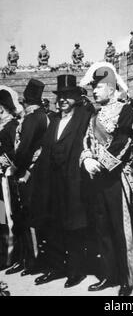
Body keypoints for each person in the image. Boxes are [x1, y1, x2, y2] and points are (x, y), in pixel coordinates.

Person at [79, 62, 133, 296]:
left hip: (116, 177)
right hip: (97, 178)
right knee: (101, 228)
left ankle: (126, 278)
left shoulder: (125, 110)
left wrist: (100, 162)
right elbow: (86, 142)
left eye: (99, 87)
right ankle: (109, 274)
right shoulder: (94, 116)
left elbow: (124, 141)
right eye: (93, 87)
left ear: (112, 89)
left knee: (120, 229)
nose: (94, 91)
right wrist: (86, 160)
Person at [32, 75, 93, 288]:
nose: (63, 100)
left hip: (74, 180)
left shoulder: (84, 116)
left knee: (74, 226)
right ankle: (56, 267)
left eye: (68, 96)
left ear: (77, 97)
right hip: (52, 182)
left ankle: (76, 271)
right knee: (53, 224)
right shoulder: (55, 120)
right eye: (60, 96)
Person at [7, 79, 48, 276]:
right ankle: (32, 260)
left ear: (27, 101)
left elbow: (24, 150)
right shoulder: (43, 116)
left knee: (27, 216)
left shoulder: (32, 119)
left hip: (27, 174)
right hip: (39, 172)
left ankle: (31, 261)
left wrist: (15, 169)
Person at [0, 87, 23, 271]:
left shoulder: (11, 126)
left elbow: (15, 154)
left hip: (7, 180)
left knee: (7, 217)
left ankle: (10, 255)